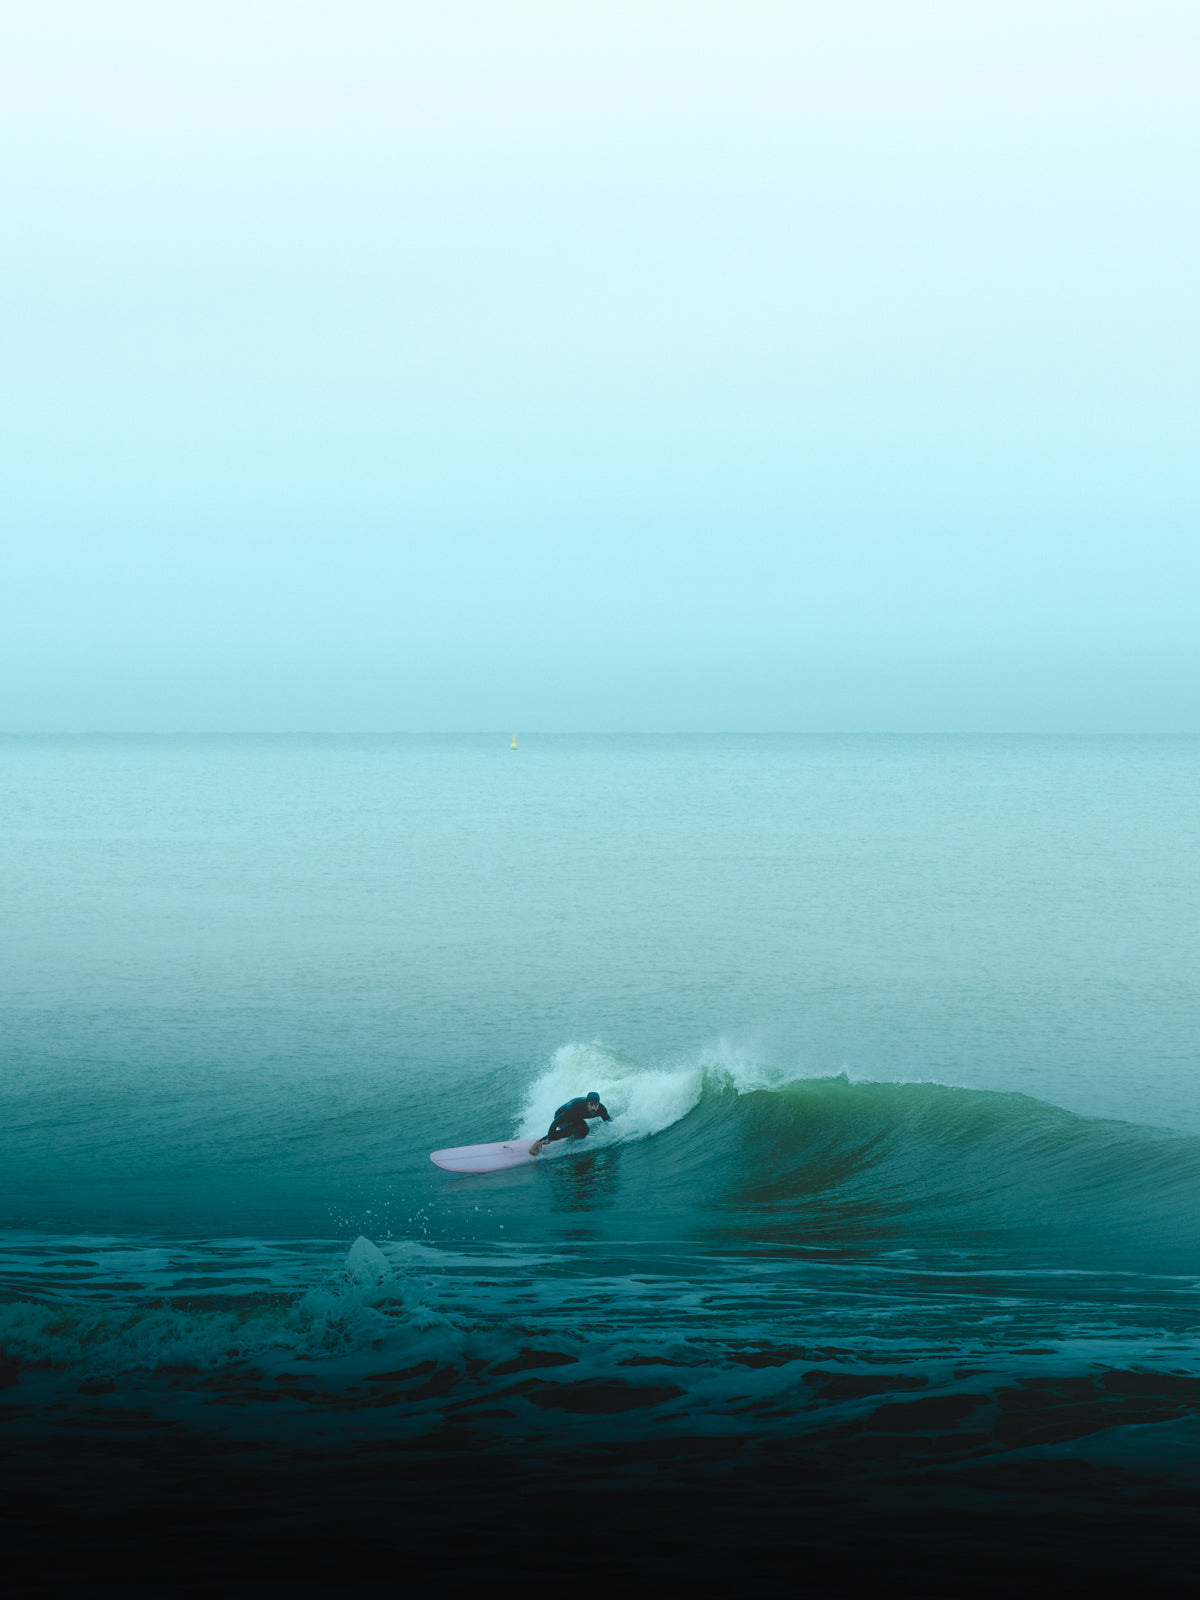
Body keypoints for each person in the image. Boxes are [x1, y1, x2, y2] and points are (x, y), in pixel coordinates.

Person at [529, 1092, 610, 1156]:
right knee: (571, 1130)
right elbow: (555, 1123)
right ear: (587, 1103)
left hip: (576, 1117)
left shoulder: (601, 1109)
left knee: (584, 1130)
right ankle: (537, 1143)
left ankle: (570, 1140)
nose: (593, 1108)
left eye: (596, 1105)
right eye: (591, 1104)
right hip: (561, 1115)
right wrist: (549, 1138)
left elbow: (608, 1121)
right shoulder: (577, 1107)